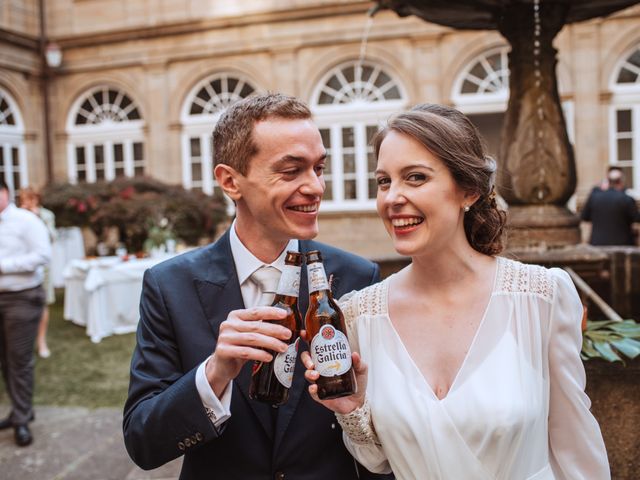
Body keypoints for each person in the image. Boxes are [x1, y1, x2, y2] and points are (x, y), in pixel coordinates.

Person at [302, 104, 610, 479]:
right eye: (384, 181)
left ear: (469, 190)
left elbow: (576, 447)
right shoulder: (358, 314)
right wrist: (352, 408)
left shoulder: (540, 297)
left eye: (415, 177)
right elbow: (376, 461)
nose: (393, 197)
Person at [123, 93, 393, 479]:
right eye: (291, 171)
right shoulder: (169, 286)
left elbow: (386, 436)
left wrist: (362, 405)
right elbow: (142, 442)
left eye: (318, 168)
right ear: (230, 181)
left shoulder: (356, 278)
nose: (315, 187)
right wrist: (215, 373)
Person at [0, 179, 51, 446]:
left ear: (5, 192)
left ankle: (21, 421)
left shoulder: (26, 221)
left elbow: (43, 255)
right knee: (4, 361)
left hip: (21, 297)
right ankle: (21, 410)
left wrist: (3, 266)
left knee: (19, 360)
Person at [18, 187, 57, 358]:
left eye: (30, 199)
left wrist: (37, 217)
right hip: (20, 267)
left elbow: (52, 238)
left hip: (43, 268)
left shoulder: (47, 215)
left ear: (37, 199)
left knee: (43, 304)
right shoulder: (16, 216)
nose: (27, 202)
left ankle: (42, 341)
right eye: (24, 199)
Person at [581, 166, 640, 245]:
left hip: (598, 245)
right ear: (621, 181)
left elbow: (584, 216)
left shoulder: (595, 197)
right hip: (622, 246)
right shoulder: (627, 199)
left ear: (607, 181)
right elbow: (636, 218)